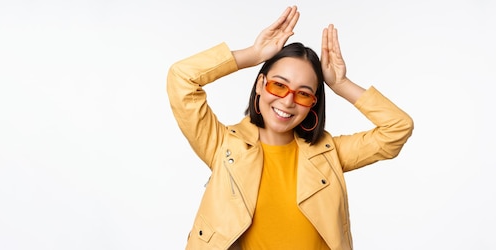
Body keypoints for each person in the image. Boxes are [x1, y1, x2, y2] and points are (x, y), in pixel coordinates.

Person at [167, 6, 413, 250]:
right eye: (279, 85)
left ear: (313, 105)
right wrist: (252, 54)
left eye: (303, 94)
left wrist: (341, 84)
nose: (287, 101)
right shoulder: (223, 146)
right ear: (261, 84)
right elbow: (182, 78)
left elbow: (398, 128)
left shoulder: (329, 154)